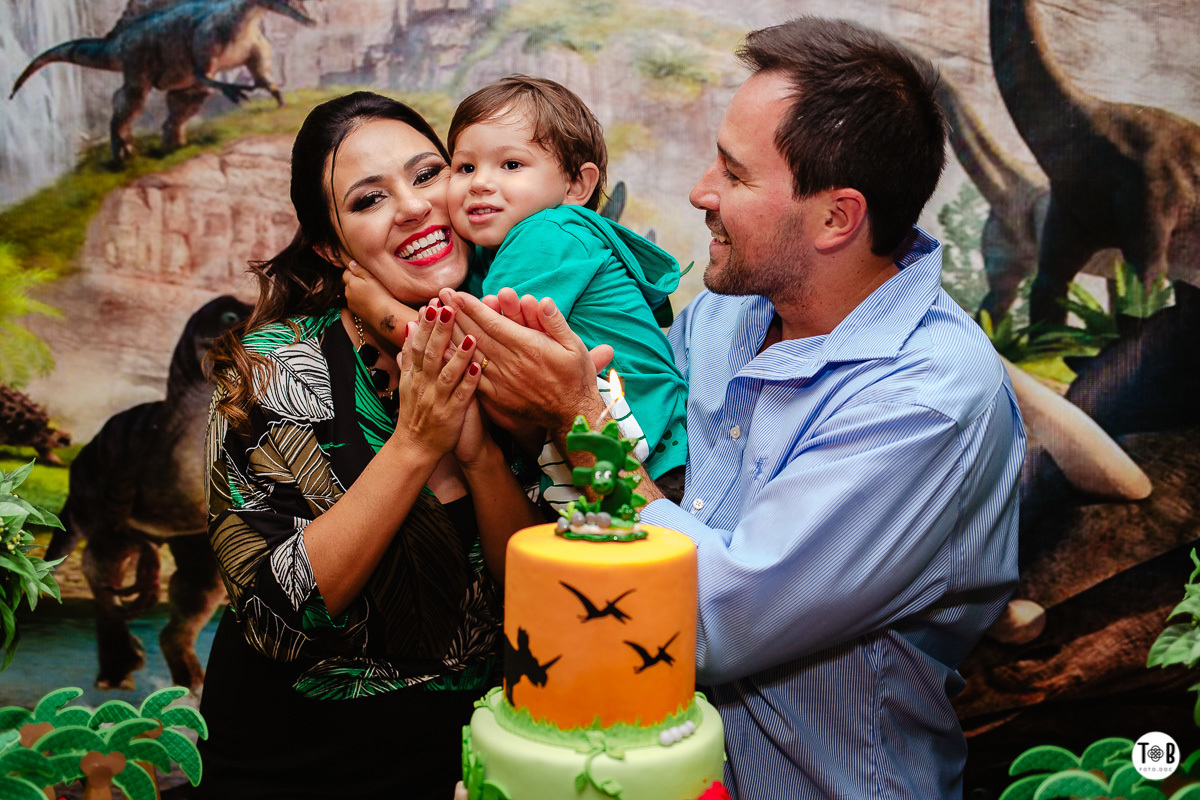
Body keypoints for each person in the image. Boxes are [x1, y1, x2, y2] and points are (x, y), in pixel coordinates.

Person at [438, 18, 1025, 800]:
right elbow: (636, 468)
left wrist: (580, 419)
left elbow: (705, 622)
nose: (700, 191)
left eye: (735, 174)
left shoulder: (925, 401)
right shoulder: (729, 313)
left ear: (835, 217)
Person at [198, 91, 543, 800]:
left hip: (470, 760)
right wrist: (416, 443)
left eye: (427, 174)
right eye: (368, 200)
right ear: (332, 246)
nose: (415, 207)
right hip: (291, 767)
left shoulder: (520, 343)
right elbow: (274, 619)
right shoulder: (275, 369)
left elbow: (539, 601)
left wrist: (478, 455)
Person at [348, 75, 688, 507]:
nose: (479, 183)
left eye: (510, 165)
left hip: (649, 464)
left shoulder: (548, 234)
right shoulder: (492, 253)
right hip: (605, 456)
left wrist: (380, 309)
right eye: (465, 167)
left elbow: (481, 355)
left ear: (576, 186)